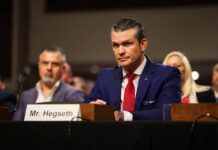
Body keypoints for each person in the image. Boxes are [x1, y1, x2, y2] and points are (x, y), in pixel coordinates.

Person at [86, 18, 181, 121]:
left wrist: (125, 116)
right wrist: (92, 109)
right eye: (115, 45)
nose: (120, 51)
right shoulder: (105, 77)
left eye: (127, 44)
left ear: (143, 44)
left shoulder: (167, 75)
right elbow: (86, 112)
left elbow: (167, 114)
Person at [13, 47, 85, 121]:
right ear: (39, 65)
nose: (49, 68)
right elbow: (15, 127)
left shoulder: (73, 95)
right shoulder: (26, 96)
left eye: (55, 64)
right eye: (45, 63)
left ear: (62, 68)